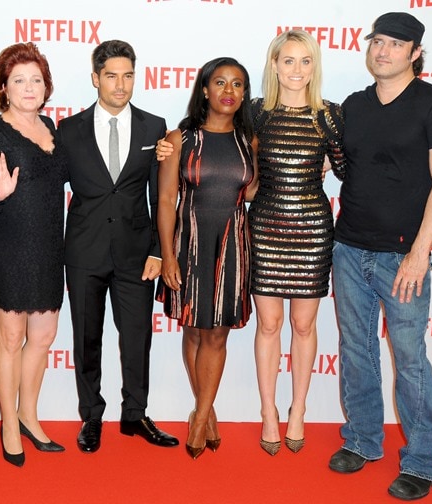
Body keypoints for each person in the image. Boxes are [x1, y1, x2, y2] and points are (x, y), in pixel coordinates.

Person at [326, 12, 432, 501]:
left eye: (395, 44)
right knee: (356, 352)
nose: (383, 51)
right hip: (348, 248)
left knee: (409, 360)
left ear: (415, 53)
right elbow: (337, 165)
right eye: (377, 41)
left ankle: (424, 461)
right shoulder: (353, 106)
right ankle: (363, 441)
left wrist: (419, 253)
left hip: (404, 256)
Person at [57, 39, 179, 454]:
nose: (121, 84)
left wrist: (160, 251)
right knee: (86, 339)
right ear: (95, 78)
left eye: (128, 75)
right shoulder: (68, 129)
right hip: (84, 252)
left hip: (136, 254)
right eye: (111, 75)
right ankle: (91, 415)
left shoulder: (154, 127)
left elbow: (162, 195)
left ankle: (135, 414)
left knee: (138, 337)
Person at [0, 42, 67, 467]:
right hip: (8, 246)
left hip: (49, 247)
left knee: (43, 337)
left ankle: (29, 414)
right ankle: (9, 422)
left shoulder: (52, 127)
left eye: (36, 80)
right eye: (19, 81)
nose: (29, 87)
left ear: (46, 87)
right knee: (10, 339)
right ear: (4, 88)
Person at [249, 30, 345, 456]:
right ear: (274, 66)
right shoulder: (255, 114)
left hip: (311, 230)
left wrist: (330, 158)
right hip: (266, 227)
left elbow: (347, 169)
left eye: (305, 61)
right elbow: (213, 138)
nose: (297, 70)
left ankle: (299, 410)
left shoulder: (330, 116)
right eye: (288, 61)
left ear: (315, 67)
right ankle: (269, 411)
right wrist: (169, 146)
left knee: (304, 326)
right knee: (268, 326)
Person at [155, 57, 255, 459]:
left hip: (233, 245)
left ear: (244, 93)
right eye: (220, 82)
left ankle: (199, 418)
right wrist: (167, 255)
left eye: (237, 84)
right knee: (194, 330)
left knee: (216, 333)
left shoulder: (250, 141)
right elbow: (164, 200)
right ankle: (207, 410)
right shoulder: (180, 139)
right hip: (189, 244)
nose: (228, 91)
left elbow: (250, 193)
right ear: (205, 90)